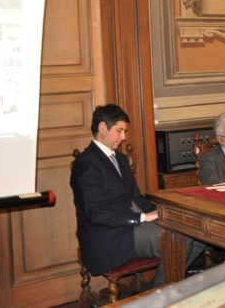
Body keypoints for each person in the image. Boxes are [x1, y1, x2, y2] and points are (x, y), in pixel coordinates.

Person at [70, 104, 204, 287]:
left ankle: (155, 293)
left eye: (124, 131)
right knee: (178, 239)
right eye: (119, 131)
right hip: (109, 235)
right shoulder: (86, 164)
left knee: (198, 234)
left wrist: (164, 213)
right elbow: (96, 213)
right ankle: (158, 298)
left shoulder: (120, 159)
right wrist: (143, 217)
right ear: (102, 127)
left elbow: (136, 198)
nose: (124, 137)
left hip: (132, 225)